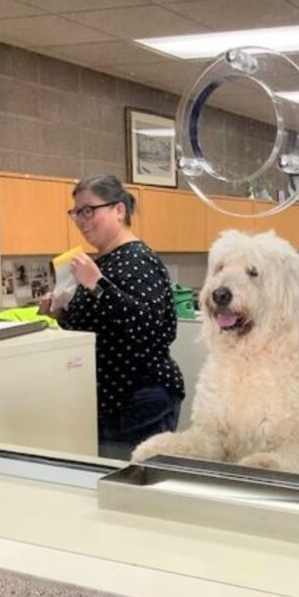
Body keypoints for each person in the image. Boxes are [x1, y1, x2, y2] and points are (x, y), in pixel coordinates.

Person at [40, 174, 184, 459]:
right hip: (109, 401)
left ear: (119, 210)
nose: (81, 220)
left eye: (89, 210)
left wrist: (98, 284)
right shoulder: (102, 262)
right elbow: (102, 329)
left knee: (134, 492)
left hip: (139, 399)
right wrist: (60, 314)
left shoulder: (138, 259)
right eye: (76, 212)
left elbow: (153, 329)